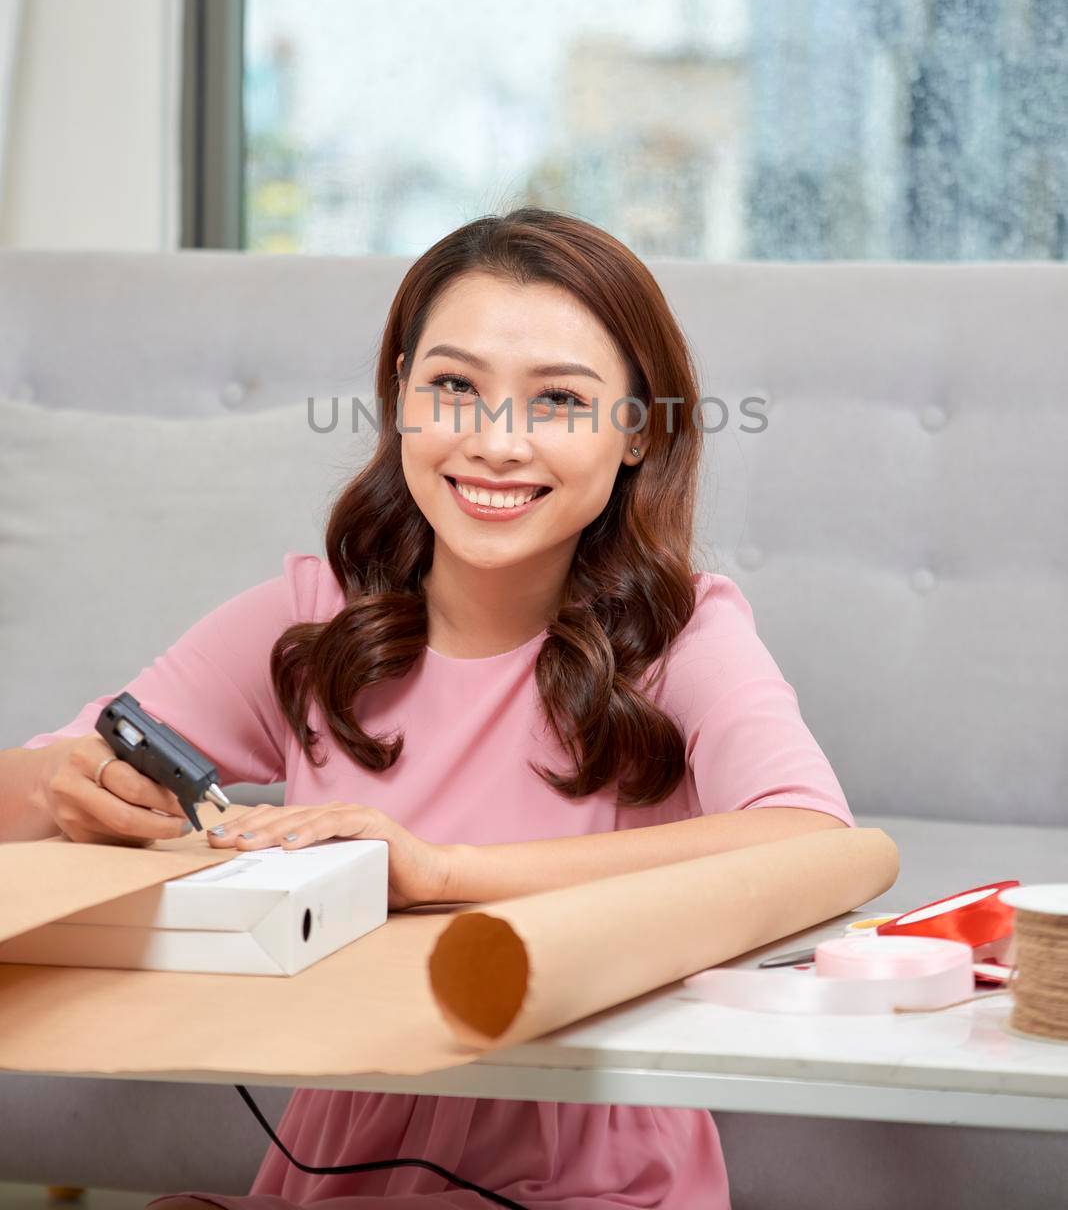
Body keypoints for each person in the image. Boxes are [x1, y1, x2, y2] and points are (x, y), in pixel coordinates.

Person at [12, 206, 860, 1210]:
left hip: (594, 1176)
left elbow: (814, 839)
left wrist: (446, 875)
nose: (496, 443)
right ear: (403, 396)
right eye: (455, 387)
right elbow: (49, 777)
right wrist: (66, 782)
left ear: (637, 432)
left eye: (558, 401)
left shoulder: (684, 638)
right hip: (340, 1168)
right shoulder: (312, 617)